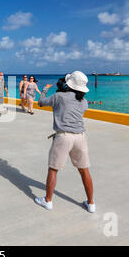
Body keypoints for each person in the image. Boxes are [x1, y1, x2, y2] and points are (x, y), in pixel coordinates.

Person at [34, 71, 95, 213]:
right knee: (84, 170)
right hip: (80, 136)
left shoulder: (59, 96)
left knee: (53, 169)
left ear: (69, 84)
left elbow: (41, 103)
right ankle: (91, 203)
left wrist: (44, 90)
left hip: (63, 136)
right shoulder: (84, 102)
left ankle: (48, 201)